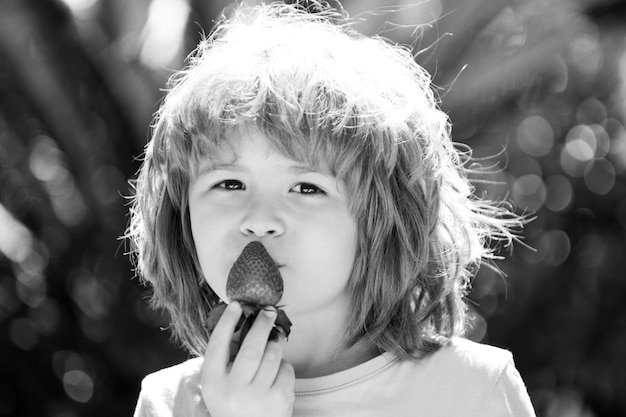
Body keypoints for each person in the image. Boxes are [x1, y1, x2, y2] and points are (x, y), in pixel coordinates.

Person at [126, 1, 536, 416]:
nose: (260, 220)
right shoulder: (168, 402)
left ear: (381, 219)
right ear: (181, 217)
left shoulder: (470, 390)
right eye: (229, 183)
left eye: (306, 187)